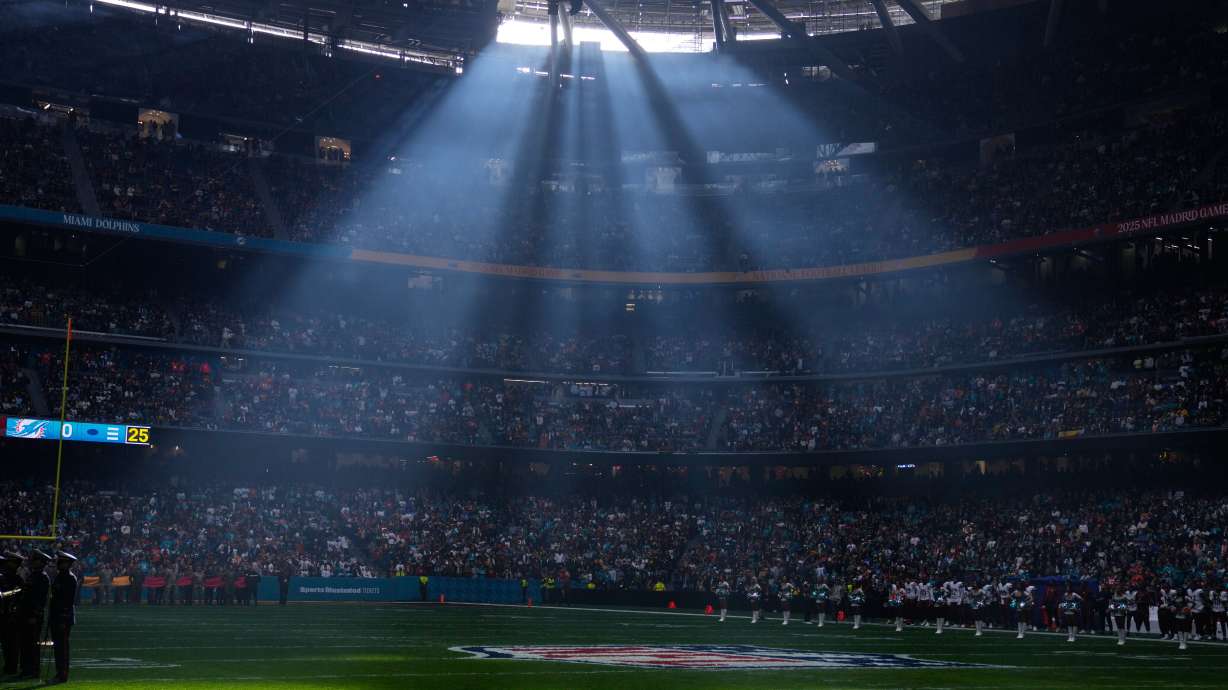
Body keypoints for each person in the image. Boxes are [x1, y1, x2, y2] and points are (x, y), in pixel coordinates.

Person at [16, 550, 50, 680]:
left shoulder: (42, 576)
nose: (32, 562)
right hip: (26, 613)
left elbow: (39, 599)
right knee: (25, 643)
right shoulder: (33, 575)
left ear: (41, 562)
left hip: (33, 615)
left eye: (35, 560)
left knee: (32, 644)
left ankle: (32, 670)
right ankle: (25, 669)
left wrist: (34, 615)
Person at [49, 552, 77, 684]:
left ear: (67, 563)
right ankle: (59, 673)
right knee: (59, 648)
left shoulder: (69, 578)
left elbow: (67, 601)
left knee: (62, 648)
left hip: (63, 617)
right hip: (57, 616)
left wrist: (62, 617)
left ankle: (62, 675)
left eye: (62, 561)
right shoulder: (60, 576)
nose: (59, 563)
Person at [1, 552, 24, 676]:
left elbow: (18, 595)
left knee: (11, 643)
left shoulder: (17, 579)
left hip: (12, 615)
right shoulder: (4, 577)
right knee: (6, 643)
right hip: (4, 613)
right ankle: (8, 666)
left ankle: (11, 666)